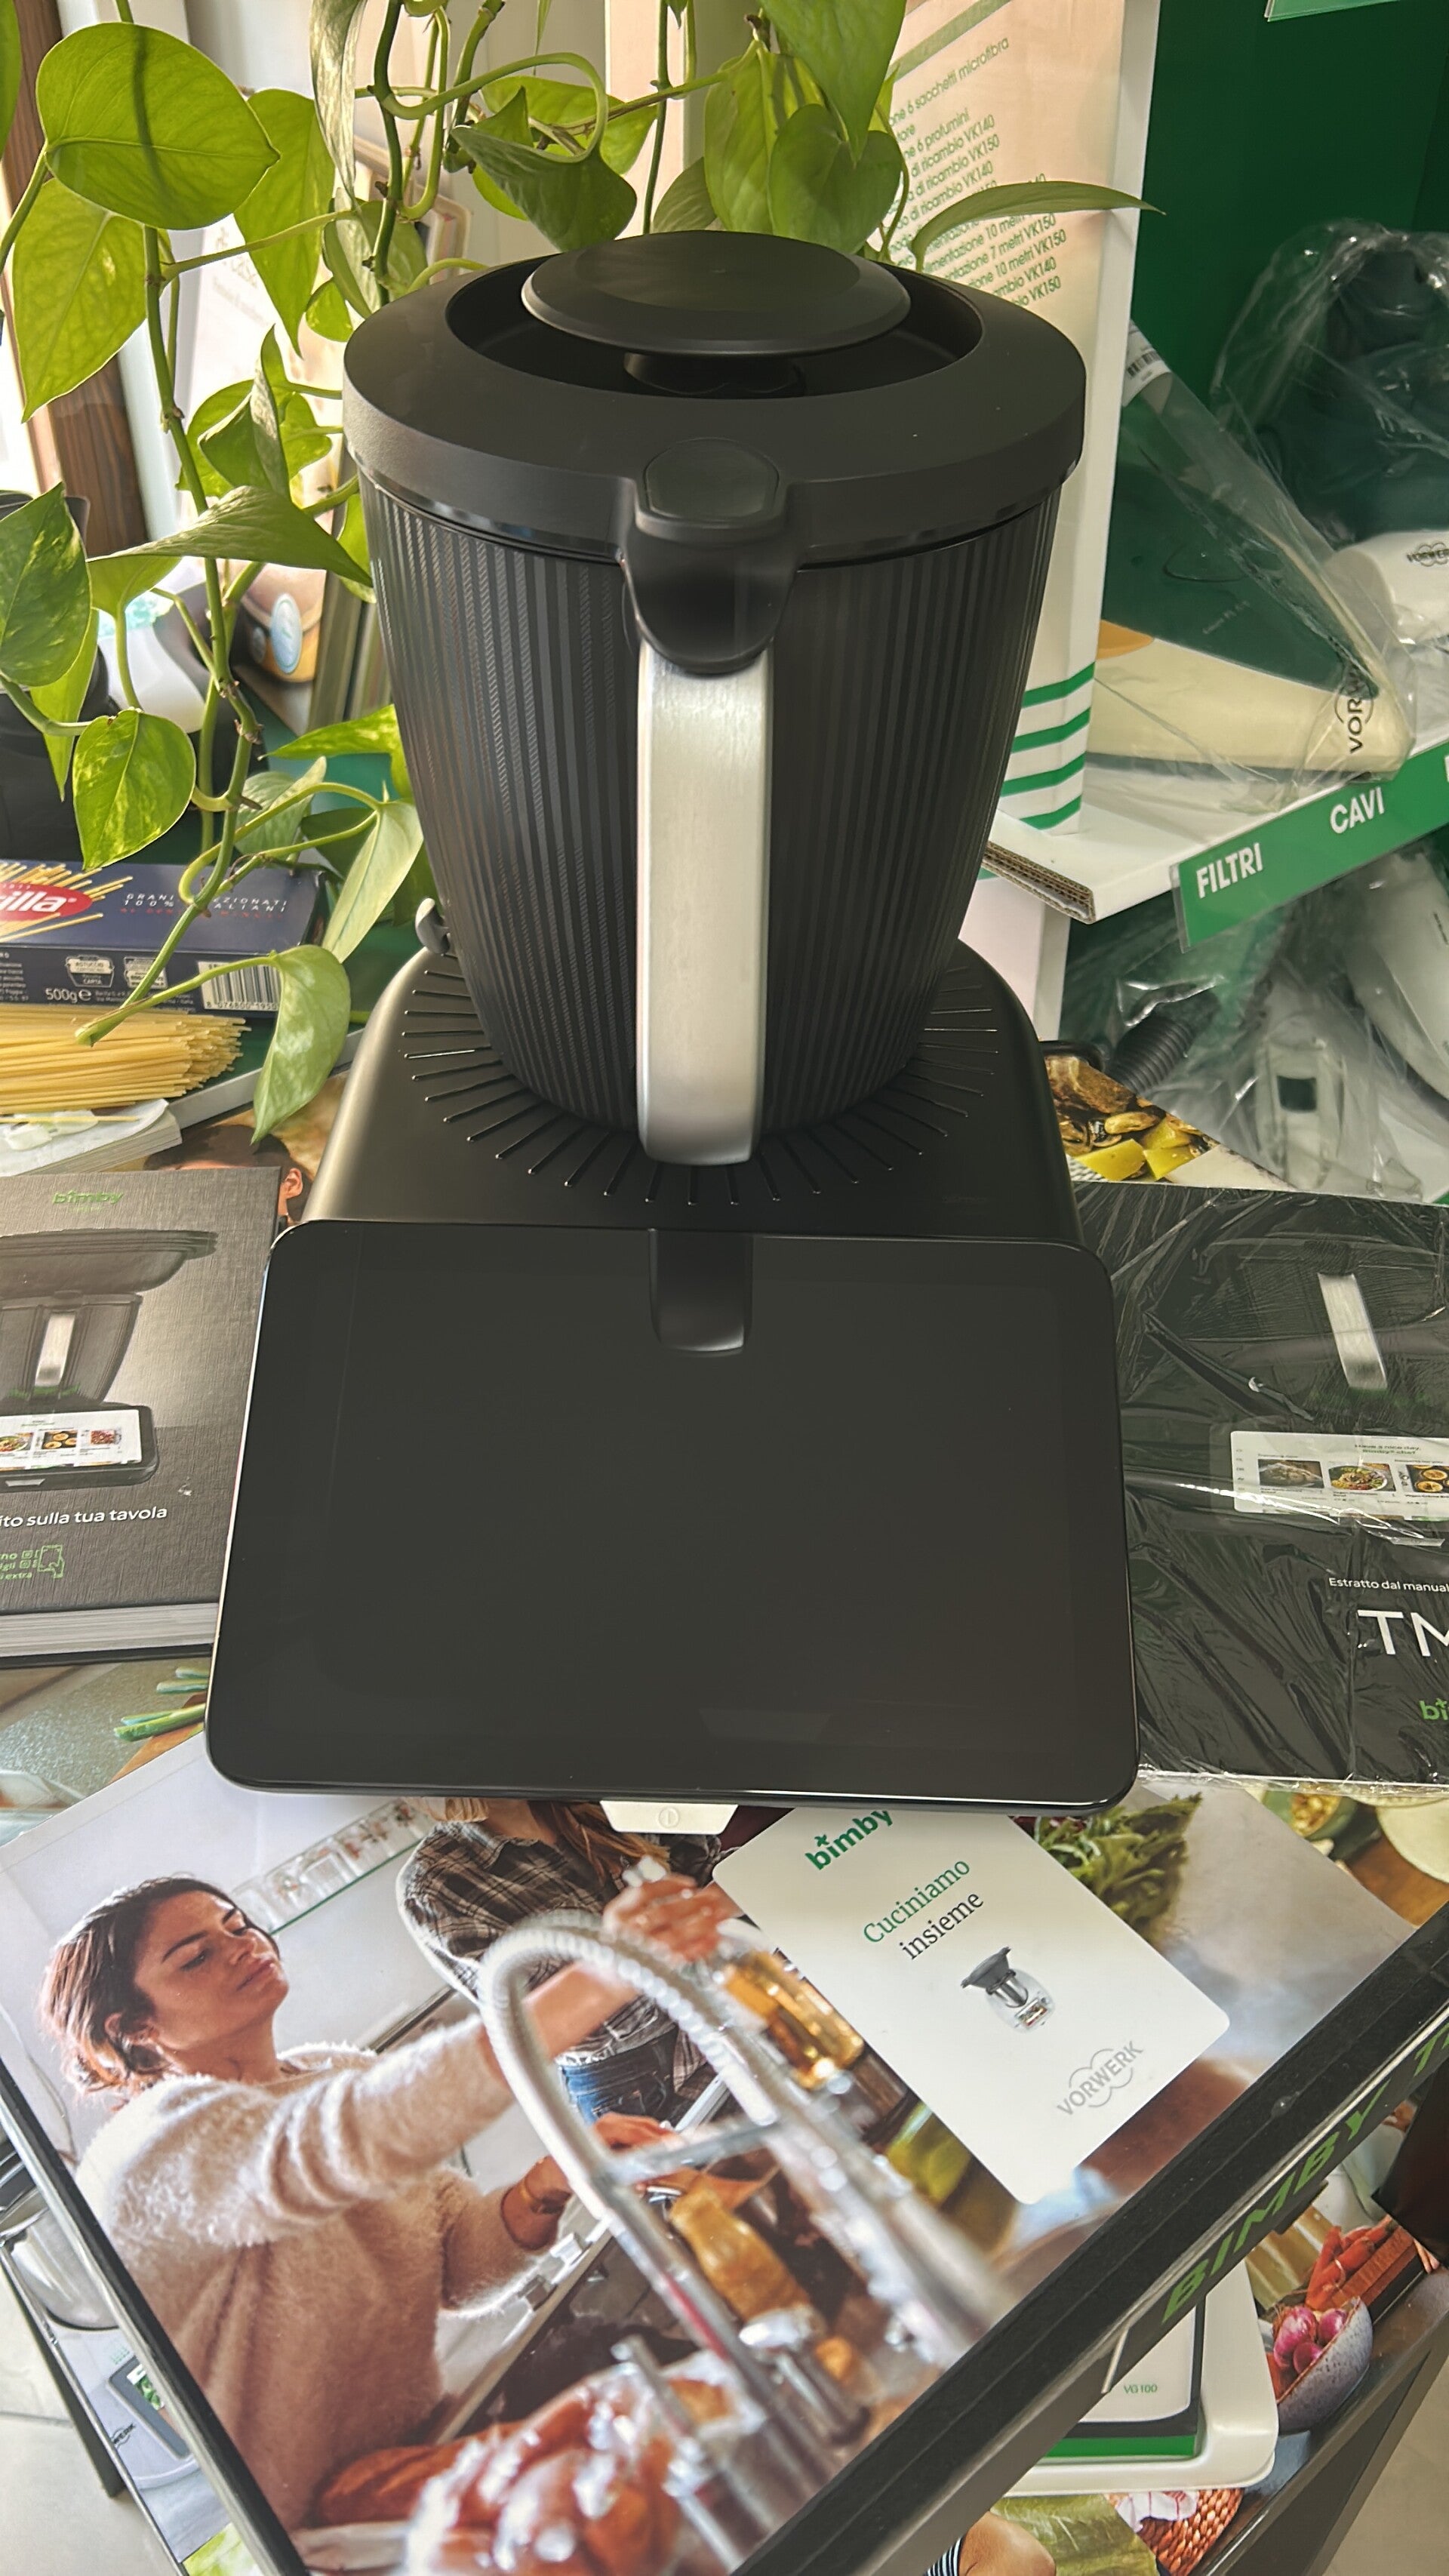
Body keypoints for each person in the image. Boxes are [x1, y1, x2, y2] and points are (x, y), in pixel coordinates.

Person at [42, 1868, 731, 2531]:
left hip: (437, 2447)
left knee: (694, 2414)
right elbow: (355, 2133)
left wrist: (548, 2183)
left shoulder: (332, 2071)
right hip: (327, 2529)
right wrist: (602, 1973)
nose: (241, 1945)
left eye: (238, 1925)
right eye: (196, 1957)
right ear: (133, 2029)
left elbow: (461, 2268)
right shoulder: (152, 2144)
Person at [398, 1799, 722, 2122]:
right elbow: (558, 2025)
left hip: (714, 2013)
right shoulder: (434, 1884)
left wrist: (731, 1886)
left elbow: (700, 1870)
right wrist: (635, 1954)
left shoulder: (592, 1800)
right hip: (640, 2079)